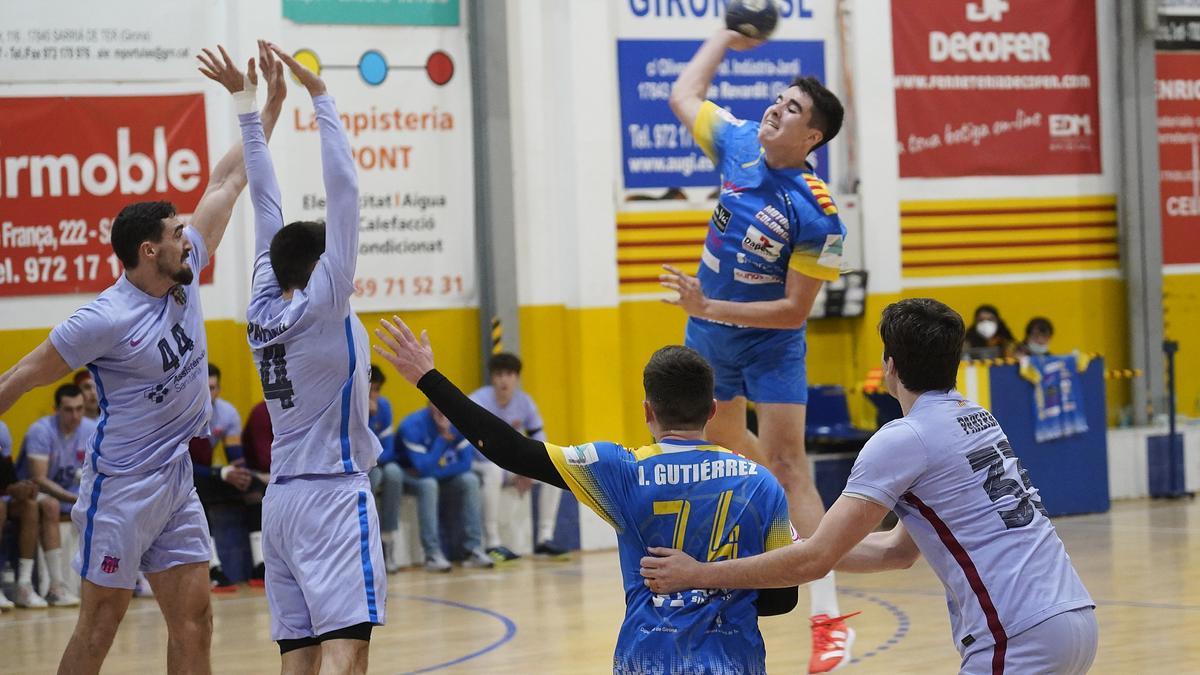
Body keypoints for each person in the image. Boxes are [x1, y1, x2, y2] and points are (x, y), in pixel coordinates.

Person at [0, 41, 284, 672]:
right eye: (176, 235)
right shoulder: (102, 319)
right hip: (122, 490)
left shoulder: (185, 274)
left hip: (176, 482)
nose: (190, 239)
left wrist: (257, 104)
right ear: (149, 253)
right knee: (99, 627)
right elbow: (20, 377)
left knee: (196, 623)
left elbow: (230, 179)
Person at [640, 298, 1098, 675]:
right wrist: (789, 546)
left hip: (1016, 633)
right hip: (1073, 617)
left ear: (890, 367)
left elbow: (817, 559)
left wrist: (699, 573)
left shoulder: (905, 438)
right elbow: (897, 552)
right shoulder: (978, 418)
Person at [373, 318, 798, 675]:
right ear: (712, 410)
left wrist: (427, 378)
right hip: (734, 661)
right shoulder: (760, 483)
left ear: (648, 410)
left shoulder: (620, 470)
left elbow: (510, 450)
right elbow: (783, 598)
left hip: (647, 659)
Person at [657, 26, 853, 672]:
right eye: (777, 99)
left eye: (793, 108)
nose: (776, 108)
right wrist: (722, 38)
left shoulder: (819, 213)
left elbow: (796, 309)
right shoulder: (737, 142)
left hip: (770, 344)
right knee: (729, 448)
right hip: (710, 334)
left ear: (813, 138)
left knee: (790, 462)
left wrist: (706, 304)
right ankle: (759, 556)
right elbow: (683, 92)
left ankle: (828, 616)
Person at [240, 41, 385, 674]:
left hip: (282, 505)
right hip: (330, 494)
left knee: (298, 660)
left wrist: (252, 115)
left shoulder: (259, 306)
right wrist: (321, 98)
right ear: (324, 267)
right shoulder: (326, 303)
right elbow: (345, 187)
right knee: (346, 657)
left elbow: (264, 203)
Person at [470, 352, 566, 561]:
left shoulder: (525, 403)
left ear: (517, 378)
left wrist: (530, 470)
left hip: (510, 464)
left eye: (509, 374)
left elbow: (541, 441)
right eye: (499, 374)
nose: (504, 380)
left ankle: (544, 538)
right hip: (479, 463)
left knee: (557, 472)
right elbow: (473, 446)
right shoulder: (478, 401)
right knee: (493, 472)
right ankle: (492, 542)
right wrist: (512, 473)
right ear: (492, 378)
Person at [16, 384, 95, 607]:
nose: (76, 415)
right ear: (56, 409)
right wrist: (74, 499)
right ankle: (55, 586)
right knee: (50, 505)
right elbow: (39, 479)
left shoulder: (91, 428)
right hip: (32, 494)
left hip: (72, 498)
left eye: (79, 409)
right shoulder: (41, 431)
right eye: (69, 410)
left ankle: (119, 580)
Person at [189, 364, 265, 590]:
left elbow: (236, 458)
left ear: (219, 389)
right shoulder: (183, 414)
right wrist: (222, 472)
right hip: (183, 474)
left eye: (213, 388)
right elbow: (181, 464)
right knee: (194, 491)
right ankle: (213, 568)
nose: (208, 393)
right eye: (205, 387)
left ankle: (260, 564)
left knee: (253, 486)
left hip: (210, 472)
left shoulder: (227, 413)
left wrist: (241, 474)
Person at [398, 404, 494, 571]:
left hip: (439, 476)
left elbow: (465, 465)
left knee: (470, 480)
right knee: (429, 484)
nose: (442, 407)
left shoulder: (460, 422)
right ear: (429, 403)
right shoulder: (412, 425)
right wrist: (442, 438)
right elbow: (423, 469)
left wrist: (438, 471)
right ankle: (432, 554)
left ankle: (473, 549)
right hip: (410, 476)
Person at [366, 365, 406, 573]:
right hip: (359, 469)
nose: (374, 396)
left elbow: (388, 451)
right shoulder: (352, 408)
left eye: (377, 390)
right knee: (374, 476)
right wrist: (367, 416)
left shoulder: (384, 407)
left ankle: (388, 540)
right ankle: (368, 543)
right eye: (370, 390)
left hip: (377, 463)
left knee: (393, 473)